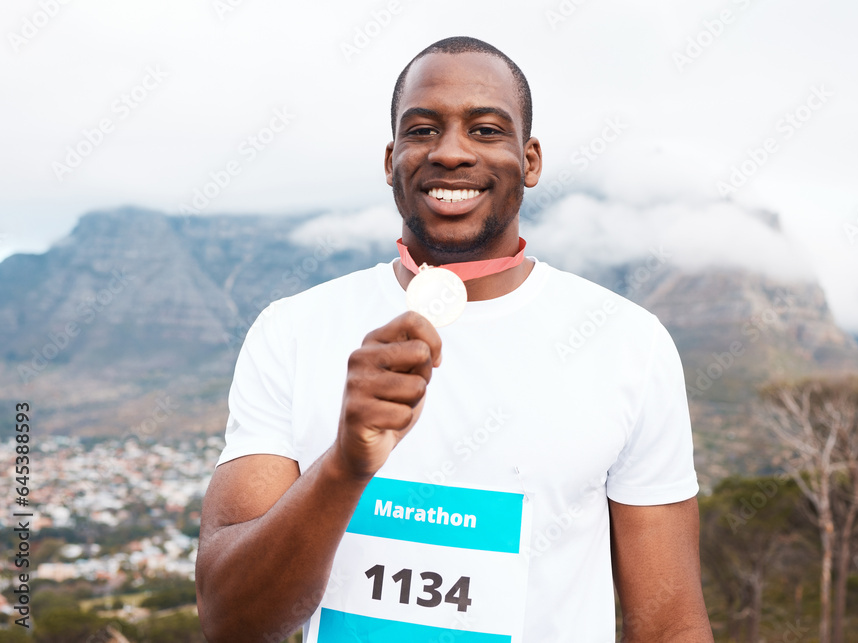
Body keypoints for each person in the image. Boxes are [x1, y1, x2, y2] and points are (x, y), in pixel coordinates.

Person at [195, 36, 712, 643]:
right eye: (422, 130)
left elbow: (670, 626)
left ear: (532, 159)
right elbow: (231, 621)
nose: (451, 153)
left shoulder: (629, 345)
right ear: (391, 159)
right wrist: (344, 466)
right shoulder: (291, 331)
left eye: (487, 130)